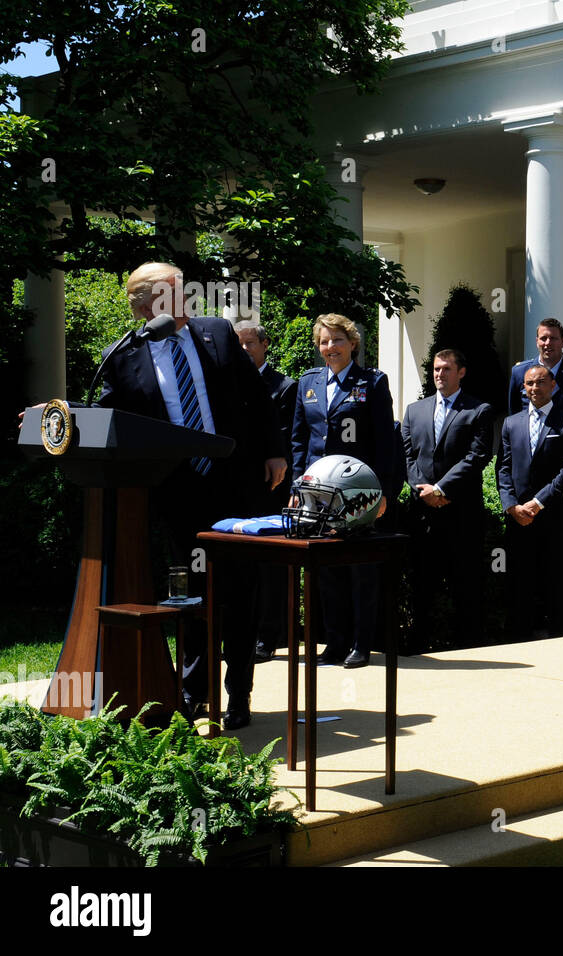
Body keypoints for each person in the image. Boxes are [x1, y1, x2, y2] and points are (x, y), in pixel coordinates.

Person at [96, 263, 285, 730]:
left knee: (242, 591)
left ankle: (239, 694)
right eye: (173, 294)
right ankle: (193, 693)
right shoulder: (122, 357)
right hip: (177, 492)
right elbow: (106, 420)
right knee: (190, 595)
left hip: (235, 483)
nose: (187, 300)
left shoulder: (217, 333)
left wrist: (276, 453)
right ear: (144, 308)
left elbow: (258, 399)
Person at [292, 312, 396, 668]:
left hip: (357, 493)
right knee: (326, 572)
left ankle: (361, 644)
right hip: (316, 496)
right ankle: (333, 643)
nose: (330, 347)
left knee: (359, 571)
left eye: (337, 339)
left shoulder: (373, 382)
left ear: (353, 343)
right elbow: (299, 441)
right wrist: (296, 487)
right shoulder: (308, 383)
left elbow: (386, 443)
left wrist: (382, 494)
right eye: (324, 341)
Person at [402, 348, 495, 649]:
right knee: (422, 582)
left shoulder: (478, 410)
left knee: (465, 582)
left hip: (461, 513)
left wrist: (441, 490)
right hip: (423, 514)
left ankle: (468, 642)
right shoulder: (414, 411)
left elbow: (476, 457)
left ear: (461, 372)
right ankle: (418, 642)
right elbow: (407, 455)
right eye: (436, 369)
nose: (439, 374)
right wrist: (424, 490)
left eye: (446, 369)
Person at [497, 365, 563, 640]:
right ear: (523, 387)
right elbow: (504, 468)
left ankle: (558, 634)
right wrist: (512, 505)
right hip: (519, 516)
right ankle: (518, 636)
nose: (535, 388)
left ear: (553, 385)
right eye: (529, 383)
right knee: (519, 580)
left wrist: (538, 502)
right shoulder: (511, 423)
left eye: (540, 382)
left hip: (552, 515)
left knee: (555, 580)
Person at [234, 320, 297, 664]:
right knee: (242, 564)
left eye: (249, 344)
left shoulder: (284, 387)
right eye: (238, 345)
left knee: (271, 565)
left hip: (271, 488)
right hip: (237, 488)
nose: (243, 351)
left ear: (264, 345)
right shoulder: (226, 383)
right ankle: (242, 631)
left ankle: (269, 636)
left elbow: (284, 437)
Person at [506, 318, 563, 417]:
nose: (548, 343)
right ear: (537, 341)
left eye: (553, 338)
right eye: (543, 338)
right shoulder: (520, 372)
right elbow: (514, 416)